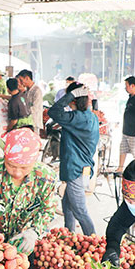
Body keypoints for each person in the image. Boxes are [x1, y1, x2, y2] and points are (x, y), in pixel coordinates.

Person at [0, 128, 58, 254]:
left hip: (23, 246)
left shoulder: (46, 178)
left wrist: (34, 231)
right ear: (4, 157)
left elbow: (47, 209)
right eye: (11, 165)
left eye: (24, 167)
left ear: (34, 162)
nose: (17, 172)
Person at [48, 82, 99, 236]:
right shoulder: (90, 116)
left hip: (76, 169)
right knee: (68, 206)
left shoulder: (76, 118)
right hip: (82, 167)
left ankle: (94, 240)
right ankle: (69, 236)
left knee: (80, 210)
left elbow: (54, 111)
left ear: (72, 101)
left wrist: (72, 94)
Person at [17, 70, 44, 136]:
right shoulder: (26, 91)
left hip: (34, 122)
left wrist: (22, 111)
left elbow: (35, 107)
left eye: (21, 80)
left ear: (27, 78)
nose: (20, 82)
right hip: (27, 122)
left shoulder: (37, 90)